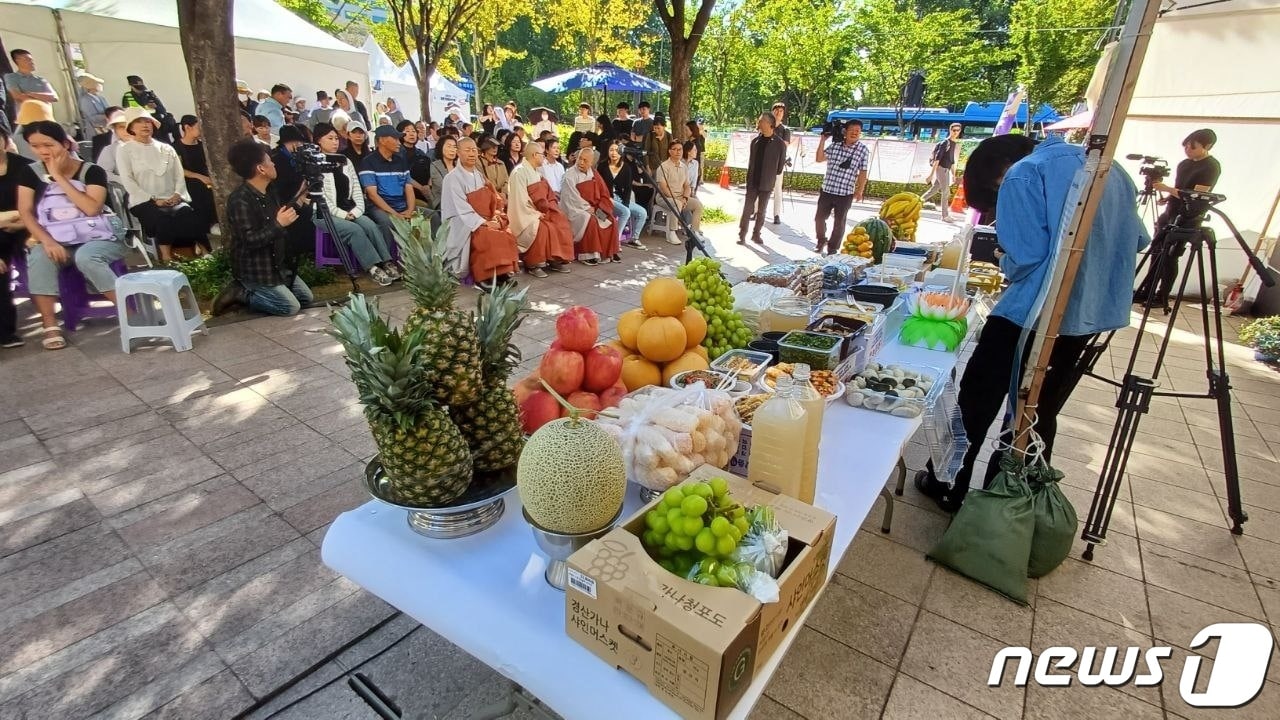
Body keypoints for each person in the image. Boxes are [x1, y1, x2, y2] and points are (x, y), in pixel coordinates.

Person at [915, 134, 1151, 513]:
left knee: (976, 401)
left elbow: (1024, 256)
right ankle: (1004, 500)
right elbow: (1140, 238)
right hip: (1086, 316)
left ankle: (947, 483)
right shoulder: (1112, 170)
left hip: (1028, 313)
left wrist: (1001, 256)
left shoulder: (1024, 174)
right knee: (1037, 410)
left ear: (998, 175)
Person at [16, 121, 125, 349]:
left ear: (65, 143)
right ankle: (50, 324)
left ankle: (129, 313)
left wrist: (59, 177)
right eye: (35, 146)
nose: (43, 152)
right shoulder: (30, 173)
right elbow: (25, 212)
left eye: (49, 144)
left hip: (98, 237)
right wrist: (46, 241)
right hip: (57, 237)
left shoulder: (91, 171)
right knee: (39, 256)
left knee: (86, 256)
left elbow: (92, 208)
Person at [214, 139, 313, 317]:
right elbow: (250, 240)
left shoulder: (270, 190)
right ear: (261, 169)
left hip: (278, 265)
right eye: (269, 161)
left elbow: (284, 215)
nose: (273, 164)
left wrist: (301, 195)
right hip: (257, 270)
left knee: (306, 298)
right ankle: (241, 293)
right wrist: (278, 225)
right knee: (290, 307)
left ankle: (262, 296)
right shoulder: (240, 200)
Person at [1134, 128, 1222, 309]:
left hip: (1189, 216)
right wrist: (1168, 196)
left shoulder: (1211, 167)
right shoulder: (1184, 164)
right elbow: (1179, 187)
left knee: (1170, 256)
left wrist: (1167, 189)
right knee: (1157, 250)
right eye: (1186, 146)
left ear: (1207, 146)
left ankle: (1162, 295)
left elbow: (1196, 194)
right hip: (1170, 211)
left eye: (1193, 147)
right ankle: (1147, 289)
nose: (1188, 150)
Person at [311, 123, 400, 285]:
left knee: (371, 226)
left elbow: (357, 190)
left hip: (350, 208)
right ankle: (373, 267)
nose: (335, 142)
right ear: (319, 141)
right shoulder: (315, 163)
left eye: (336, 138)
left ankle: (387, 262)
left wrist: (357, 210)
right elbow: (322, 198)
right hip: (325, 213)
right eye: (330, 138)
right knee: (355, 230)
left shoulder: (345, 161)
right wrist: (344, 215)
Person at [116, 107, 209, 261]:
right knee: (162, 218)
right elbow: (128, 180)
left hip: (172, 198)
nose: (145, 125)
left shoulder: (166, 148)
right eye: (139, 122)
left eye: (147, 121)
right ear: (131, 127)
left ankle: (205, 254)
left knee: (188, 214)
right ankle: (167, 258)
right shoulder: (125, 150)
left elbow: (179, 175)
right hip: (144, 201)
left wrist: (178, 194)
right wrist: (153, 199)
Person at [441, 137, 520, 290]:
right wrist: (483, 222)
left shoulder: (478, 174)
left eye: (474, 150)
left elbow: (493, 197)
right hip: (463, 223)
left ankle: (502, 273)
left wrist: (495, 215)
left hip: (484, 217)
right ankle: (484, 277)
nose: (471, 154)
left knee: (505, 232)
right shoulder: (452, 178)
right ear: (458, 152)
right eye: (467, 150)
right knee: (486, 236)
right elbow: (461, 208)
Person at [506, 141, 574, 277]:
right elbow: (519, 200)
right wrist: (536, 214)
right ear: (534, 155)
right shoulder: (519, 172)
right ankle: (533, 263)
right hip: (526, 215)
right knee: (543, 228)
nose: (543, 158)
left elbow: (547, 194)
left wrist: (550, 208)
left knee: (560, 221)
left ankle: (554, 258)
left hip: (541, 210)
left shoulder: (536, 172)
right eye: (542, 155)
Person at [813, 118, 869, 255]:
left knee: (839, 222)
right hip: (828, 189)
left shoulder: (863, 150)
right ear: (845, 131)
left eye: (858, 131)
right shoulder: (835, 146)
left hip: (845, 192)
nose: (854, 133)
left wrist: (860, 190)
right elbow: (819, 159)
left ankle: (832, 248)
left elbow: (863, 172)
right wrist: (822, 140)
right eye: (852, 130)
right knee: (819, 218)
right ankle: (821, 240)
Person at [0, 125, 33, 348]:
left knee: (40, 251)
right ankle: (4, 331)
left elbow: (40, 204)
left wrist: (22, 222)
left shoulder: (24, 167)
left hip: (27, 225)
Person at [359, 124, 417, 246]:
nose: (399, 143)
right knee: (387, 222)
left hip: (402, 205)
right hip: (379, 208)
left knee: (432, 217)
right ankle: (388, 261)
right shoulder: (368, 162)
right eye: (395, 139)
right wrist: (394, 214)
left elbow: (409, 188)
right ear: (382, 140)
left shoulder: (401, 160)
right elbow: (373, 195)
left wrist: (410, 210)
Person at [562, 147, 621, 264]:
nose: (581, 162)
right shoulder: (569, 175)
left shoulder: (593, 173)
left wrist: (599, 207)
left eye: (585, 160)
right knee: (591, 220)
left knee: (610, 219)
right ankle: (588, 254)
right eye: (580, 159)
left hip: (594, 208)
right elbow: (570, 197)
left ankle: (608, 252)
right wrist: (587, 208)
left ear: (591, 163)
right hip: (576, 210)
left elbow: (603, 192)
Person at [739, 113, 787, 246]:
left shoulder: (779, 144)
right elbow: (751, 162)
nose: (759, 124)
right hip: (753, 181)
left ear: (769, 123)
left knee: (761, 210)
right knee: (747, 209)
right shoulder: (755, 141)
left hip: (767, 182)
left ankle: (756, 234)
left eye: (761, 121)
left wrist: (770, 174)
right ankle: (742, 234)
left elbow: (780, 166)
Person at [598, 141, 648, 249]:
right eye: (611, 150)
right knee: (625, 212)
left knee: (642, 212)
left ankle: (634, 239)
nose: (614, 153)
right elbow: (598, 185)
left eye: (616, 150)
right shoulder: (602, 166)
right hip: (607, 198)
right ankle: (615, 241)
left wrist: (625, 202)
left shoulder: (626, 168)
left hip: (621, 199)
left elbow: (628, 188)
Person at [655, 141, 703, 247]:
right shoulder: (663, 167)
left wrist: (685, 198)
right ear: (669, 151)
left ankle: (694, 232)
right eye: (675, 149)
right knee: (677, 203)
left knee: (698, 205)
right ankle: (672, 232)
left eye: (680, 149)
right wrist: (678, 199)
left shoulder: (684, 167)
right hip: (664, 197)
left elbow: (687, 186)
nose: (678, 152)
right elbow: (664, 188)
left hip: (681, 197)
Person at [173, 115, 216, 231]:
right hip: (190, 180)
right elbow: (178, 169)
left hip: (206, 179)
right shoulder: (177, 147)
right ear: (187, 127)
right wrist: (199, 176)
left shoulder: (202, 145)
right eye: (198, 127)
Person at [921, 122, 962, 223]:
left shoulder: (953, 143)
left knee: (934, 190)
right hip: (941, 169)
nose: (955, 132)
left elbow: (952, 161)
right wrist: (931, 175)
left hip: (946, 170)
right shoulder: (945, 143)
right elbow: (937, 159)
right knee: (946, 192)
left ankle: (916, 202)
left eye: (957, 130)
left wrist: (953, 174)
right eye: (954, 130)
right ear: (950, 130)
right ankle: (945, 216)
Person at [121, 76, 175, 143]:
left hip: (156, 126)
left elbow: (163, 110)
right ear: (131, 86)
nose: (140, 90)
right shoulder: (127, 96)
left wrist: (155, 107)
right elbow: (127, 113)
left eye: (141, 88)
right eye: (137, 88)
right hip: (140, 128)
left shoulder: (150, 95)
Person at [397, 120, 432, 206]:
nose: (411, 134)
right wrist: (421, 188)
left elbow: (431, 170)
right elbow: (402, 175)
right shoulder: (397, 154)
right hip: (408, 195)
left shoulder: (420, 153)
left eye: (413, 131)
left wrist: (428, 186)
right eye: (407, 131)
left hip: (427, 193)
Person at [769, 102, 791, 225]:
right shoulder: (766, 126)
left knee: (777, 189)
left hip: (778, 163)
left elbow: (784, 145)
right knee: (760, 187)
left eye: (781, 111)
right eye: (776, 110)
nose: (778, 113)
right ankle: (756, 211)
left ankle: (776, 214)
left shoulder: (785, 130)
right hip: (764, 162)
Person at [428, 135, 459, 226]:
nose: (452, 150)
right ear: (441, 148)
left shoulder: (459, 165)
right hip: (442, 201)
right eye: (449, 146)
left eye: (454, 147)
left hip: (461, 200)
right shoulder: (435, 165)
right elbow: (443, 187)